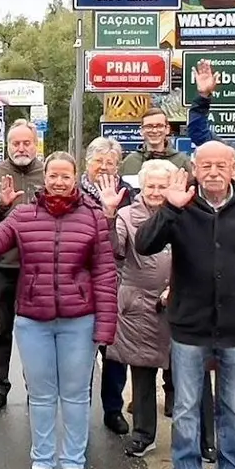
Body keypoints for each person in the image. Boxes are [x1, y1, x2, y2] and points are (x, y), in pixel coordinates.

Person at [136, 142, 235, 469]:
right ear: (194, 169)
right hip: (189, 325)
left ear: (234, 170)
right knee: (184, 406)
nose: (213, 172)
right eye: (206, 165)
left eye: (221, 165)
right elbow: (145, 244)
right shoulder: (182, 207)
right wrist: (169, 208)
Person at [0, 151, 116, 469]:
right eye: (53, 176)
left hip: (79, 319)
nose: (59, 182)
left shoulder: (93, 217)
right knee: (41, 393)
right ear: (44, 178)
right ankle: (42, 461)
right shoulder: (23, 215)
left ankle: (74, 463)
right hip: (33, 318)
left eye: (66, 176)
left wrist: (105, 326)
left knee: (77, 395)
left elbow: (105, 274)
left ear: (75, 177)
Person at [106, 160, 176, 458]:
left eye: (163, 186)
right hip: (139, 304)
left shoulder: (183, 211)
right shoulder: (127, 215)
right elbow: (113, 251)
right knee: (142, 371)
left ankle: (199, 438)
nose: (156, 192)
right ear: (141, 187)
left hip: (181, 299)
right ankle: (143, 434)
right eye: (151, 186)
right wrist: (108, 216)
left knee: (185, 372)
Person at [0, 119, 47, 413]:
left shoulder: (49, 174)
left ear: (36, 144)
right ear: (8, 145)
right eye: (15, 143)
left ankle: (36, 386)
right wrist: (2, 207)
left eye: (26, 142)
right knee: (2, 329)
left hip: (40, 267)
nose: (21, 148)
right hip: (3, 266)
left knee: (38, 332)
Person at [81, 136, 131, 437]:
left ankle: (113, 409)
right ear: (87, 163)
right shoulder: (72, 193)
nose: (103, 167)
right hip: (82, 282)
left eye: (110, 163)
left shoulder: (128, 193)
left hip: (117, 280)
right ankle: (81, 412)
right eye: (98, 162)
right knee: (83, 352)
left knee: (114, 353)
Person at [120, 109, 192, 175]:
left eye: (159, 126)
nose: (154, 131)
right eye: (149, 126)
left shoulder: (182, 161)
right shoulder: (129, 162)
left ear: (167, 129)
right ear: (141, 130)